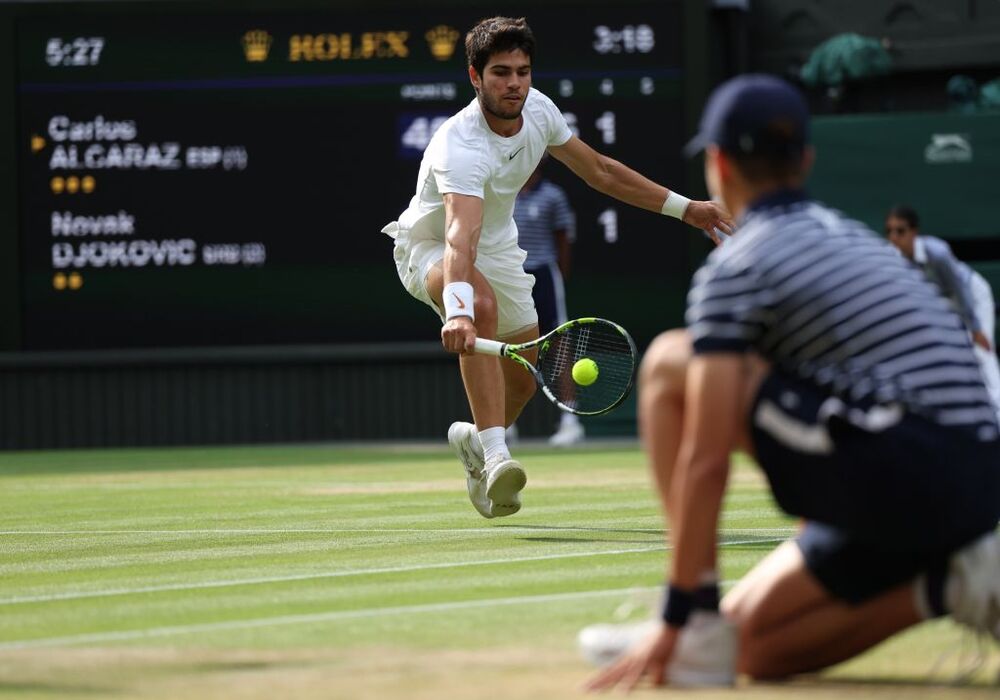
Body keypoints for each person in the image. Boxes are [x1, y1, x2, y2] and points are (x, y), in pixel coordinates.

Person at [582, 74, 1000, 690]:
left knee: (672, 363)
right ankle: (960, 585)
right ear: (805, 159)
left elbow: (705, 456)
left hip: (917, 465)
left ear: (717, 164)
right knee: (756, 651)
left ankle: (697, 621)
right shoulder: (858, 242)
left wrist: (679, 609)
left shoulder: (739, 266)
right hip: (974, 476)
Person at [382, 17, 731, 519]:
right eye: (500, 72)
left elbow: (602, 172)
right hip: (431, 246)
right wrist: (457, 311)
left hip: (499, 249)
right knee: (478, 303)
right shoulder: (458, 144)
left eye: (522, 71)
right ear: (475, 77)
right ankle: (499, 457)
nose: (514, 84)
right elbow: (461, 236)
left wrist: (686, 208)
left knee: (523, 378)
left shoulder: (540, 110)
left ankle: (476, 451)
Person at [885, 205, 1000, 422]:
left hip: (972, 296)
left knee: (982, 353)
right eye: (889, 231)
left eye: (900, 231)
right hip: (946, 303)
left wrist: (975, 328)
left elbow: (960, 289)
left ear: (914, 232)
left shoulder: (937, 252)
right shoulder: (892, 259)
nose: (894, 237)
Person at [511, 156, 585, 446]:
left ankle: (570, 421)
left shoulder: (554, 196)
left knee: (558, 343)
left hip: (544, 274)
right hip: (511, 276)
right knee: (508, 345)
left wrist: (558, 278)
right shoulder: (503, 194)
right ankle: (505, 425)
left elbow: (564, 240)